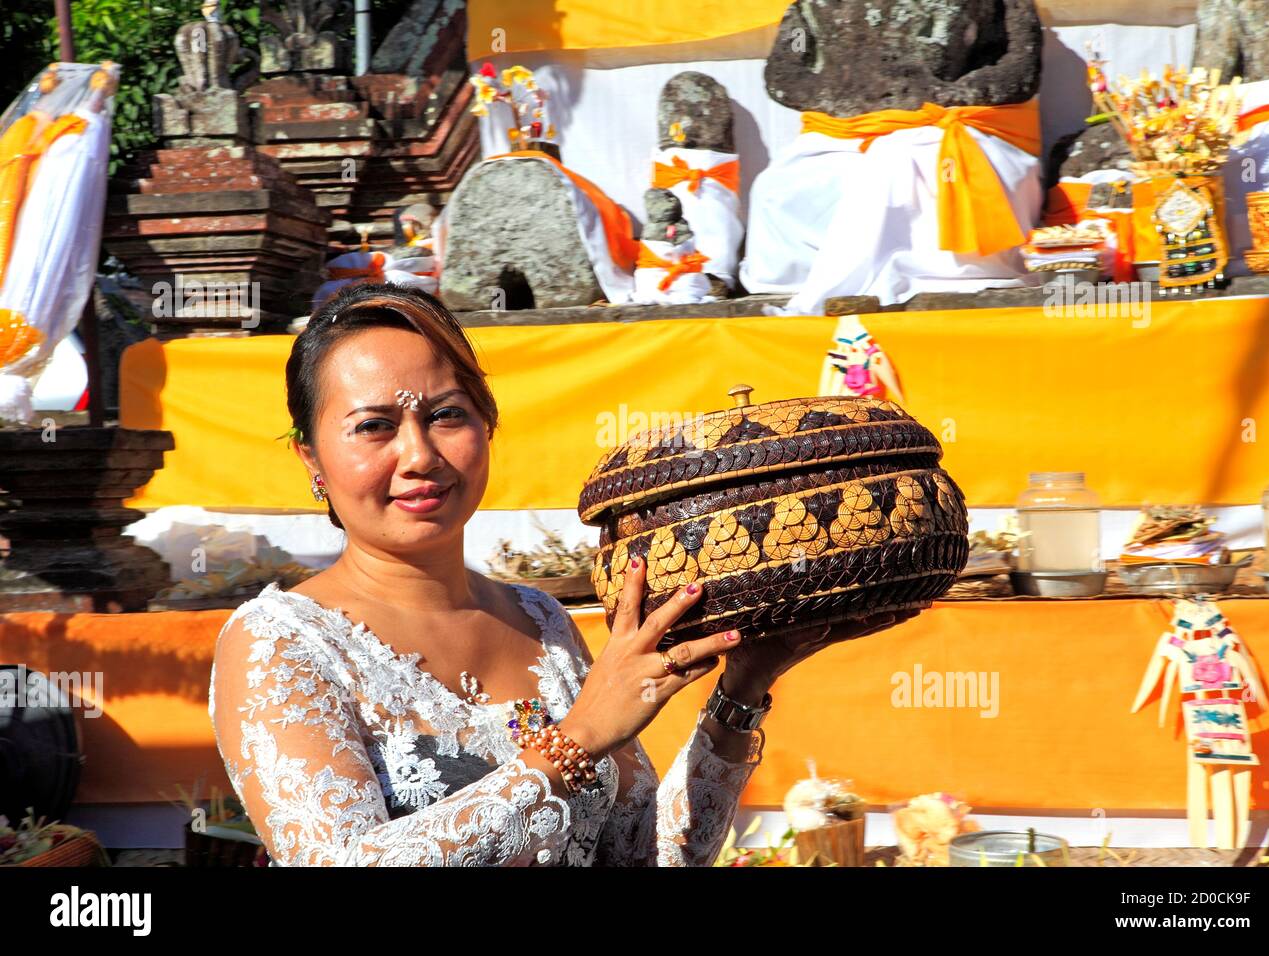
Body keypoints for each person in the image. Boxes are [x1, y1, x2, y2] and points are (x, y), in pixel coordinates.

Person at [208, 281, 911, 866]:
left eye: (447, 415)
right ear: (311, 462)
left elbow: (644, 857)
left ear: (487, 427)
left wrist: (742, 690)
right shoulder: (282, 644)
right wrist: (572, 743)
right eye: (373, 426)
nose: (418, 455)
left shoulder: (539, 622)